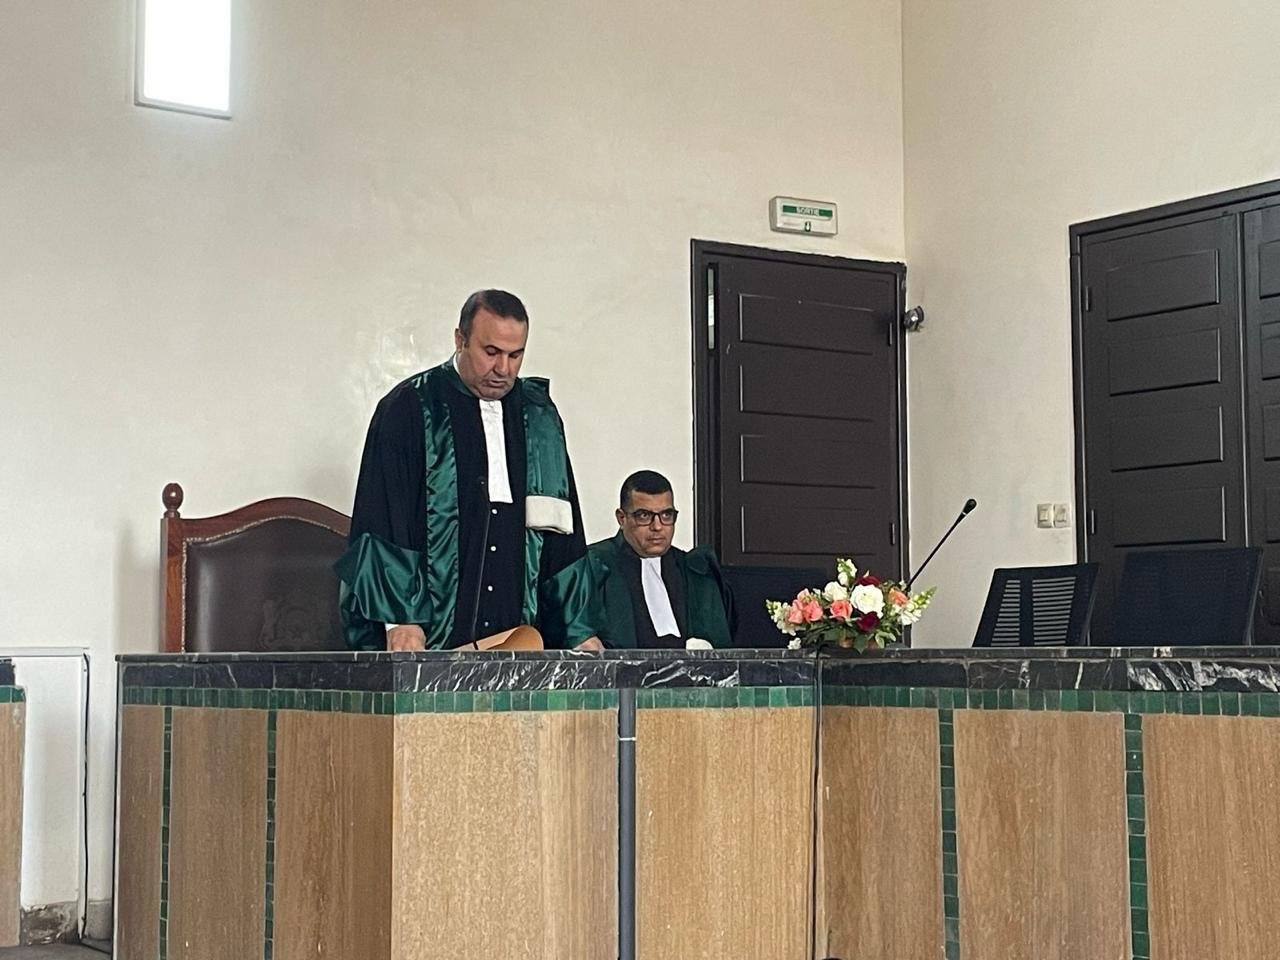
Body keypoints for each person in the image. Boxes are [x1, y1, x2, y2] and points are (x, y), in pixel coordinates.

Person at [336, 289, 586, 650]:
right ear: (460, 339)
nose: (503, 369)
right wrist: (401, 619)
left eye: (515, 355)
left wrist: (579, 630)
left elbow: (563, 532)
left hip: (518, 635)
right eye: (491, 352)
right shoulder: (409, 408)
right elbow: (384, 520)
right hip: (430, 631)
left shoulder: (539, 417)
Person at [542, 470, 735, 649]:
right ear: (621, 518)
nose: (657, 526)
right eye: (644, 516)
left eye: (666, 515)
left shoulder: (694, 571)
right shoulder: (592, 566)